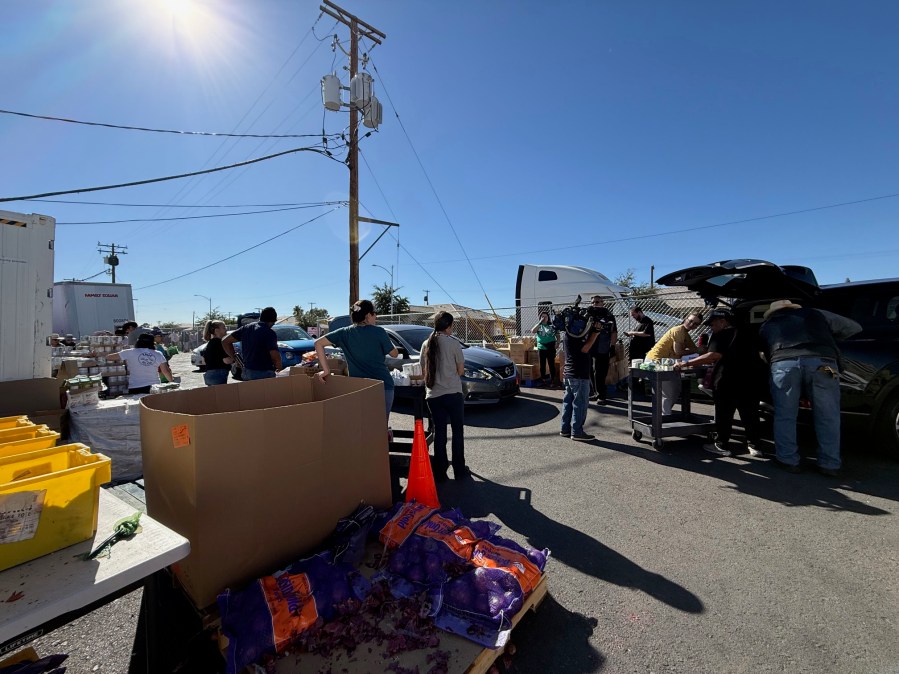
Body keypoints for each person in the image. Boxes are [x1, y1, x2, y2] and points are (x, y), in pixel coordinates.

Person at [759, 299, 862, 476]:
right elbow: (854, 328)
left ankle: (788, 460)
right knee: (829, 415)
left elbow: (763, 352)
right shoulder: (817, 313)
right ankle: (830, 464)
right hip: (825, 364)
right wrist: (826, 337)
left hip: (784, 365)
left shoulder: (767, 325)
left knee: (785, 414)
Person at [675, 308, 764, 457]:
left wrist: (685, 364)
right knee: (750, 414)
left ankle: (722, 445)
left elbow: (712, 356)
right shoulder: (749, 332)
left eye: (713, 324)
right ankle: (755, 446)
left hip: (728, 380)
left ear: (723, 322)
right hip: (751, 380)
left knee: (724, 413)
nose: (712, 327)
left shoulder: (721, 335)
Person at [313, 299, 398, 422]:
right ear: (368, 315)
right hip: (382, 386)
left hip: (358, 387)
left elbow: (318, 343)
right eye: (375, 314)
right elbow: (394, 354)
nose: (376, 317)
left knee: (360, 427)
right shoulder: (379, 331)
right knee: (379, 428)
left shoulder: (344, 333)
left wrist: (325, 370)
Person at [420, 311, 469, 482]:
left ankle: (440, 471)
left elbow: (422, 370)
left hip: (433, 395)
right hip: (453, 393)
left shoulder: (426, 343)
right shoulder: (453, 344)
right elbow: (461, 370)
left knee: (439, 433)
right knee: (457, 432)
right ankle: (459, 469)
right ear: (448, 327)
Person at [645, 312, 703, 415]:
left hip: (668, 363)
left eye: (695, 324)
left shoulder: (685, 334)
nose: (691, 324)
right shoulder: (678, 330)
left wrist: (702, 351)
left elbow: (694, 349)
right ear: (685, 319)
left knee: (676, 390)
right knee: (668, 393)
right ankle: (663, 421)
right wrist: (698, 350)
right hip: (656, 361)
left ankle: (661, 416)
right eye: (690, 321)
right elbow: (679, 351)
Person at [559, 316, 600, 441]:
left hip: (570, 374)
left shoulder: (567, 335)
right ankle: (577, 432)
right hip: (579, 375)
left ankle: (565, 429)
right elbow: (585, 349)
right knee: (580, 404)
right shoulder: (576, 335)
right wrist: (595, 333)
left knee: (568, 403)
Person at [104, 333, 175, 394]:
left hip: (135, 386)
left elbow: (109, 357)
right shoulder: (158, 354)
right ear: (152, 343)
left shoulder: (129, 352)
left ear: (138, 342)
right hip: (154, 386)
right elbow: (166, 371)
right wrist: (172, 382)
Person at [223, 307, 281, 380]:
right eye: (273, 322)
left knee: (250, 391)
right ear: (272, 321)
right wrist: (279, 368)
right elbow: (275, 355)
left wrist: (235, 358)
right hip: (264, 373)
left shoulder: (246, 328)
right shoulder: (269, 332)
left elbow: (225, 341)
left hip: (247, 372)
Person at [587, 296, 617, 403]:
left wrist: (612, 346)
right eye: (593, 302)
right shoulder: (589, 315)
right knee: (590, 371)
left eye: (597, 302)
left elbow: (614, 332)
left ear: (602, 303)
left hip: (603, 347)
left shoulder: (609, 315)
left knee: (600, 372)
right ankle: (595, 392)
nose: (595, 304)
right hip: (590, 347)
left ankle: (602, 395)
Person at [201, 320, 233, 386]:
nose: (226, 329)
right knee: (221, 395)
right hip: (218, 375)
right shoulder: (220, 343)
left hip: (208, 374)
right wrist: (234, 358)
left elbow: (204, 361)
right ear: (216, 331)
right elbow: (226, 360)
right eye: (224, 327)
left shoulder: (210, 343)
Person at [531, 311, 557, 387]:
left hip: (551, 347)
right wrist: (539, 322)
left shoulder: (552, 325)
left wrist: (557, 342)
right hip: (541, 347)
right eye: (542, 317)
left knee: (551, 363)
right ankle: (543, 380)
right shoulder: (539, 325)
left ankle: (552, 380)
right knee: (542, 365)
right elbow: (533, 331)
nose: (544, 318)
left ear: (548, 317)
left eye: (545, 316)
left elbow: (557, 334)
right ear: (540, 318)